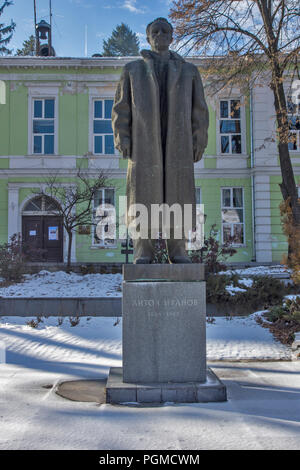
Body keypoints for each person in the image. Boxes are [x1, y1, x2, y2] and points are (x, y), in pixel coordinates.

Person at [112, 17, 209, 264]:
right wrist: (121, 137)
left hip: (178, 143)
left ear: (172, 37)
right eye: (155, 31)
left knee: (178, 195)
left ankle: (178, 250)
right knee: (143, 195)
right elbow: (120, 108)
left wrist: (199, 139)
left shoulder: (189, 71)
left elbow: (199, 110)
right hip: (144, 143)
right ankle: (143, 250)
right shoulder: (133, 70)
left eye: (166, 30)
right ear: (148, 37)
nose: (161, 34)